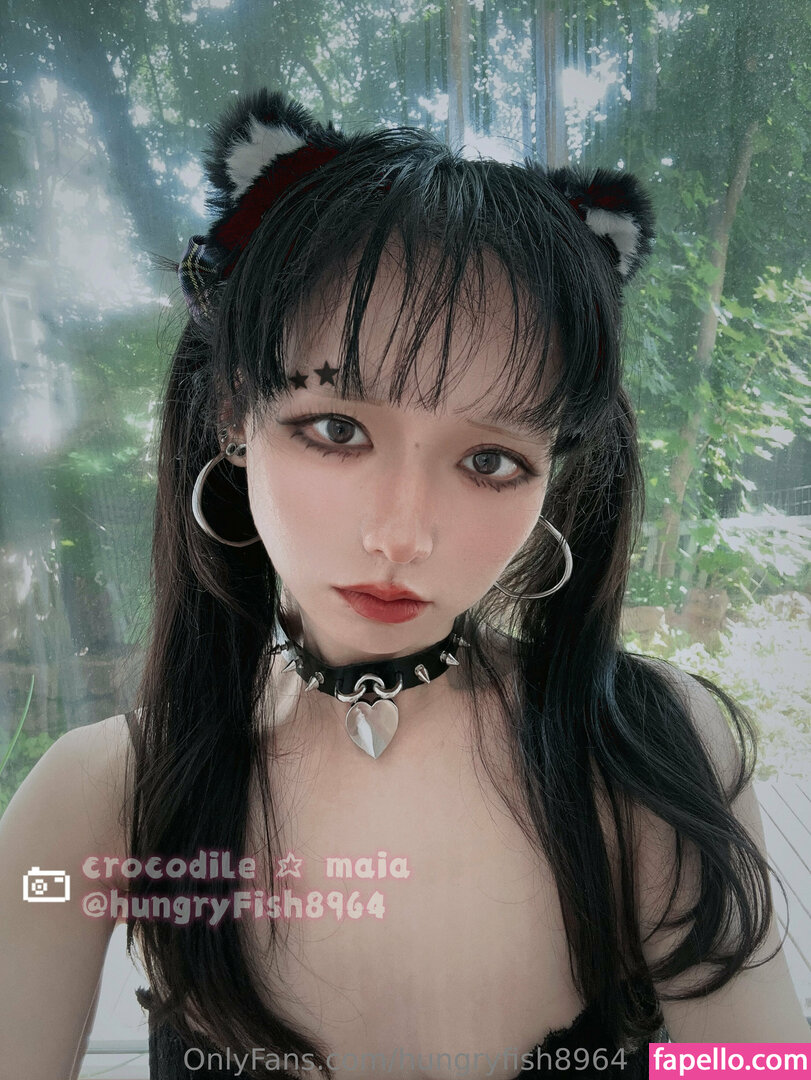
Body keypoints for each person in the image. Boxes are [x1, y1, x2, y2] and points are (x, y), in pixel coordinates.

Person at [0, 88, 807, 1080]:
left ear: (550, 478)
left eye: (489, 461)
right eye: (337, 429)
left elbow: (753, 1065)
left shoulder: (646, 750)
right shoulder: (100, 796)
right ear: (233, 415)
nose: (401, 535)